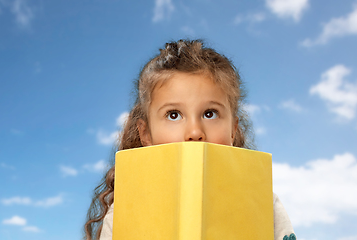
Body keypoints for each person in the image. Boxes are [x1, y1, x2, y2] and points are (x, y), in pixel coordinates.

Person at [84, 39, 296, 240]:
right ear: (146, 133)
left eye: (210, 113)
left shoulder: (264, 203)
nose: (195, 132)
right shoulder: (125, 209)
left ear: (233, 130)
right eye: (173, 115)